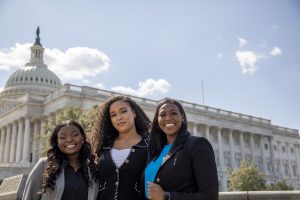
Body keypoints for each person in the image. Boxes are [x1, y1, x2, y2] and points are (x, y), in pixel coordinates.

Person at [143, 98, 218, 200]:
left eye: (173, 113)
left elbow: (210, 196)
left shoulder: (197, 144)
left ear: (182, 118)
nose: (168, 118)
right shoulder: (155, 150)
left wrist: (167, 196)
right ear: (157, 120)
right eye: (162, 115)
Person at [90, 95, 151, 200]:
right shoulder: (103, 147)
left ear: (134, 113)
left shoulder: (151, 145)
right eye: (113, 115)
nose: (119, 117)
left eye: (123, 111)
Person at [22, 120, 98, 200]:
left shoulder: (93, 168)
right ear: (57, 142)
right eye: (62, 137)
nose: (69, 140)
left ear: (82, 138)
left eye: (75, 135)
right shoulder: (44, 165)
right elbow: (29, 197)